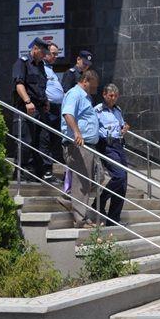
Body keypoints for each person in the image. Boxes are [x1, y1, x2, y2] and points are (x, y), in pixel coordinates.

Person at [60, 69, 101, 228]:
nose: (95, 89)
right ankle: (80, 219)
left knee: (99, 177)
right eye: (94, 86)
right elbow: (68, 114)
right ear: (85, 81)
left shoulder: (86, 97)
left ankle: (70, 200)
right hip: (79, 145)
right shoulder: (75, 94)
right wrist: (77, 132)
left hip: (89, 146)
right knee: (82, 182)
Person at [11, 37, 49, 179]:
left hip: (40, 108)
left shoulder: (41, 66)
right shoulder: (22, 63)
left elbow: (40, 87)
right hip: (26, 108)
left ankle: (36, 172)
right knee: (25, 141)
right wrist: (27, 101)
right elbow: (19, 84)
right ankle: (20, 172)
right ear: (35, 49)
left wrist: (46, 101)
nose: (44, 55)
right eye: (43, 52)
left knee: (41, 141)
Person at [95, 84, 131, 225]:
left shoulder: (117, 110)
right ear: (104, 95)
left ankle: (113, 218)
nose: (113, 98)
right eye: (111, 95)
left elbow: (121, 125)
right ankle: (99, 201)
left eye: (116, 96)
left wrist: (124, 128)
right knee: (119, 175)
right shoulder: (97, 110)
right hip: (106, 145)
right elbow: (93, 128)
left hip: (118, 144)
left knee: (123, 182)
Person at [39, 43, 63, 183]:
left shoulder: (50, 69)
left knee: (54, 139)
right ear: (46, 53)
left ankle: (49, 169)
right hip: (47, 108)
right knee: (46, 138)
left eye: (57, 54)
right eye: (53, 53)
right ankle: (46, 171)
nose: (55, 56)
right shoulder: (40, 67)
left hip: (57, 109)